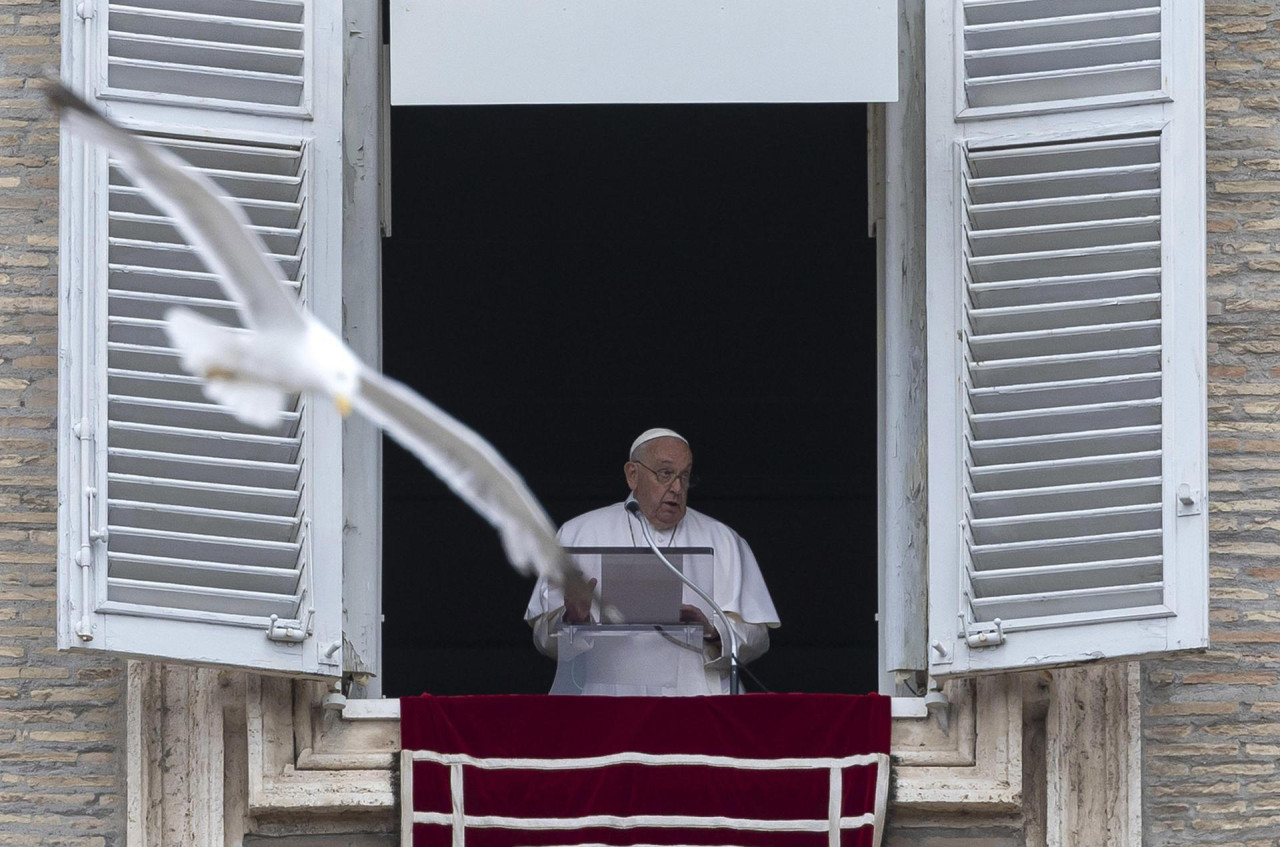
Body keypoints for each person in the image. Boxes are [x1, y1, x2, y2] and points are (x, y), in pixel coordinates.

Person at [525, 428, 780, 694]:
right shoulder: (577, 534)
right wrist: (574, 620)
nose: (678, 488)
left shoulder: (723, 539)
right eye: (666, 474)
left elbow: (758, 638)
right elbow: (543, 638)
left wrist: (713, 630)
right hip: (606, 703)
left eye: (685, 475)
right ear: (633, 475)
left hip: (696, 702)